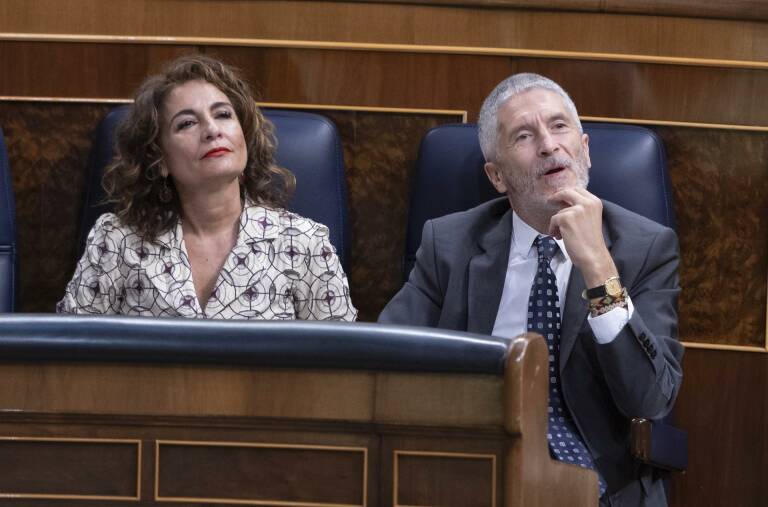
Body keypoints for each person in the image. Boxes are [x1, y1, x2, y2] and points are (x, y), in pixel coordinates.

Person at [379, 73, 683, 506]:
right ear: (497, 176)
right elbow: (388, 364)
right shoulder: (448, 245)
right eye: (524, 135)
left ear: (585, 150)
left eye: (559, 126)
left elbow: (649, 399)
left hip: (598, 480)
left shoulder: (646, 249)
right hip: (478, 468)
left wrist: (599, 268)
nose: (548, 145)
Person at [58, 55, 356, 321]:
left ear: (244, 137)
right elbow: (73, 352)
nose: (212, 130)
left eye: (223, 114)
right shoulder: (116, 240)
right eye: (187, 123)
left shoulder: (304, 244)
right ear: (160, 160)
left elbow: (343, 358)